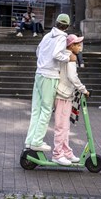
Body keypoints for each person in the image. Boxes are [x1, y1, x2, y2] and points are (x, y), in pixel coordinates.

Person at [24, 14, 76, 152]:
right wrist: (68, 57)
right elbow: (57, 54)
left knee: (36, 109)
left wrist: (42, 62)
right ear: (67, 26)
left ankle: (30, 140)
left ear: (57, 23)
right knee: (46, 110)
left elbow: (38, 51)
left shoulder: (47, 35)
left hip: (39, 73)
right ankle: (37, 141)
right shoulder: (62, 37)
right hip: (50, 75)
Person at [52, 34, 90, 166]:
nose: (80, 47)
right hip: (63, 95)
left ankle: (66, 152)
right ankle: (57, 154)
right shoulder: (71, 57)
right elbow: (73, 77)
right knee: (61, 127)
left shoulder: (66, 55)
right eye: (77, 45)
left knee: (65, 127)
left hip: (65, 95)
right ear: (71, 46)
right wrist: (84, 90)